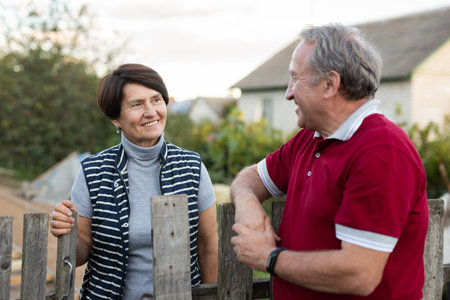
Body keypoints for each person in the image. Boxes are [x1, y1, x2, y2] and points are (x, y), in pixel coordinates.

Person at [230, 23, 428, 299]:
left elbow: (359, 274)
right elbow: (250, 178)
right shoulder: (311, 138)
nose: (288, 93)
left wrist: (269, 258)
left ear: (329, 84)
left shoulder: (382, 152)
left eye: (295, 78)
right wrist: (248, 202)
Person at [50, 63, 218, 299]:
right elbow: (80, 254)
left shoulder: (191, 166)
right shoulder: (93, 172)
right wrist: (66, 230)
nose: (151, 111)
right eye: (137, 104)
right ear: (115, 119)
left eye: (156, 99)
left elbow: (208, 245)